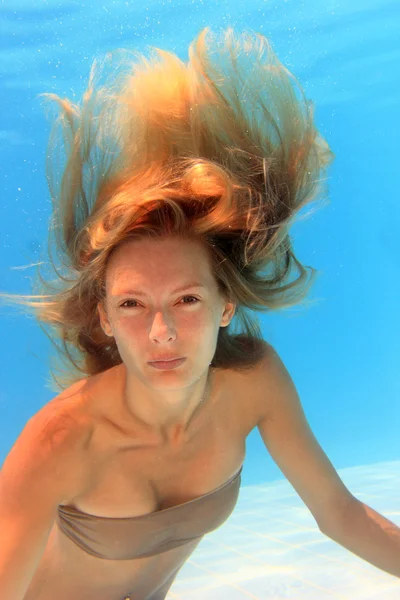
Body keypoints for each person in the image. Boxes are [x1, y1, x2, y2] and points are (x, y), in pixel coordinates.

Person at [1, 26, 398, 600]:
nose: (161, 333)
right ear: (105, 318)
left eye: (186, 300)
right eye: (133, 305)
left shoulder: (252, 381)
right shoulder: (60, 442)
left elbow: (340, 514)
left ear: (225, 305)